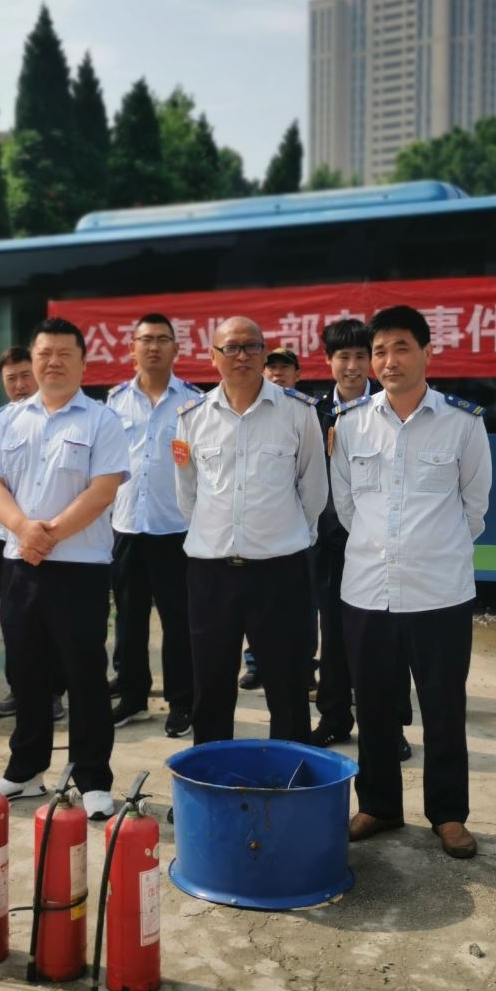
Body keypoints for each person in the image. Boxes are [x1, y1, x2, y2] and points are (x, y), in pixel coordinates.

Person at [331, 306, 492, 855]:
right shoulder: (351, 423)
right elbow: (346, 504)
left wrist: (431, 550)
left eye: (401, 348)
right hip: (367, 589)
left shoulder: (463, 423)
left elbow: (475, 506)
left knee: (443, 707)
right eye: (379, 351)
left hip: (439, 592)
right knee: (373, 706)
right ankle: (378, 805)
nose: (388, 361)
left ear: (427, 353)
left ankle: (448, 814)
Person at [0, 317, 128, 819]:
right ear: (33, 359)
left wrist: (49, 533)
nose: (53, 362)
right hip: (20, 566)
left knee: (84, 675)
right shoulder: (6, 421)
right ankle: (26, 768)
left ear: (84, 362)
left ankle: (92, 777)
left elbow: (103, 490)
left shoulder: (102, 420)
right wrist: (24, 529)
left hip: (80, 568)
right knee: (26, 671)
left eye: (65, 353)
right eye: (45, 353)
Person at [175, 317, 327, 745]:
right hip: (211, 574)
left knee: (288, 687)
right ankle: (212, 774)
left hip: (279, 571)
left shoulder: (297, 412)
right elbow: (187, 493)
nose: (241, 356)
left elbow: (313, 490)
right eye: (231, 348)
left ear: (264, 353)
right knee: (211, 688)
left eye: (251, 347)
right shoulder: (193, 417)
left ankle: (289, 774)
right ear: (213, 357)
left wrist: (281, 535)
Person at [107, 314, 200, 738]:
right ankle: (132, 696)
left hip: (175, 528)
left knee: (179, 621)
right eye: (146, 339)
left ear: (176, 349)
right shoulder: (115, 402)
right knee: (128, 619)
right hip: (126, 527)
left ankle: (182, 702)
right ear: (132, 348)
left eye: (163, 339)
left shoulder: (193, 402)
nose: (154, 347)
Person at [0, 345, 57, 721]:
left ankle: (52, 692)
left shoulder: (53, 416)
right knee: (13, 620)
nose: (20, 385)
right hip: (5, 537)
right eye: (12, 379)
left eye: (26, 375)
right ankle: (19, 688)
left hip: (50, 535)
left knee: (50, 619)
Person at [309, 317, 373, 748]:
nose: (352, 367)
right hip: (328, 543)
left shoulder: (390, 406)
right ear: (329, 360)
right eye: (343, 357)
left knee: (382, 635)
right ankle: (333, 718)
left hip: (378, 542)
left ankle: (388, 725)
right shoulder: (311, 413)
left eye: (360, 357)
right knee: (332, 632)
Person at [237, 346, 312, 691]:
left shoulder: (305, 412)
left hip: (296, 532)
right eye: (272, 368)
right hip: (252, 533)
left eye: (285, 368)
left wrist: (304, 527)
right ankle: (256, 664)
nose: (278, 373)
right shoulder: (246, 413)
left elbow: (313, 483)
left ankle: (303, 665)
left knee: (299, 610)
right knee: (252, 606)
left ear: (298, 375)